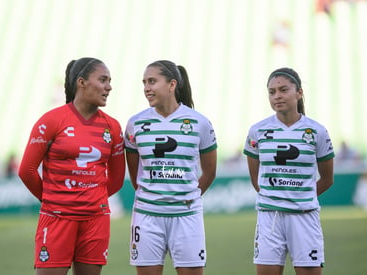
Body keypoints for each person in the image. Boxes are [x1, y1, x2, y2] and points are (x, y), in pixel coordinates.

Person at [18, 57, 125, 275]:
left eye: (109, 81)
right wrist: (53, 199)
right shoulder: (52, 120)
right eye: (103, 80)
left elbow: (115, 179)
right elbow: (26, 170)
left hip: (96, 219)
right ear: (81, 82)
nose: (109, 87)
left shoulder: (112, 127)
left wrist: (91, 199)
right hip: (57, 217)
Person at [124, 60, 217, 275]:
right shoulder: (135, 123)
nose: (147, 88)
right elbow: (135, 173)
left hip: (187, 215)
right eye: (144, 82)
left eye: (153, 81)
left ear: (172, 84)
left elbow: (210, 171)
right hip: (147, 216)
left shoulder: (199, 123)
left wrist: (191, 195)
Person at [243, 67, 335, 275]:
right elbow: (256, 179)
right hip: (270, 218)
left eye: (283, 90)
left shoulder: (316, 131)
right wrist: (276, 198)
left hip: (304, 218)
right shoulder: (257, 130)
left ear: (299, 93)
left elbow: (327, 179)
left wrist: (299, 197)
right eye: (272, 92)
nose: (277, 96)